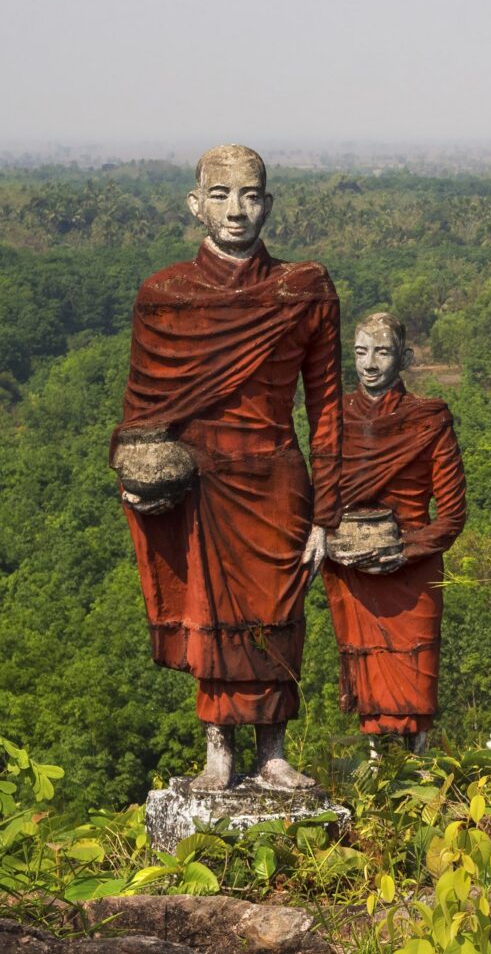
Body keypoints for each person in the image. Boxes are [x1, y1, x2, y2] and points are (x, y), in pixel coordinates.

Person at [114, 145, 341, 790]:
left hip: (277, 477)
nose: (236, 210)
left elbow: (326, 406)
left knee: (278, 614)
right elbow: (142, 414)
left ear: (268, 203)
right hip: (200, 480)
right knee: (211, 613)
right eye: (220, 195)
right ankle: (219, 750)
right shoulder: (165, 295)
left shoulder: (303, 288)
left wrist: (328, 511)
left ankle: (273, 749)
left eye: (249, 195)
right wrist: (139, 475)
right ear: (195, 205)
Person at [323, 313, 466, 752]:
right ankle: (375, 777)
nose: (370, 364)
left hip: (411, 571)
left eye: (382, 352)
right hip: (355, 568)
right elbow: (318, 499)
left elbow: (453, 512)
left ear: (403, 357)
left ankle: (419, 776)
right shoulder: (333, 416)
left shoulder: (428, 418)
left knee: (415, 680)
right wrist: (327, 540)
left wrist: (406, 549)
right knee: (368, 684)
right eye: (361, 352)